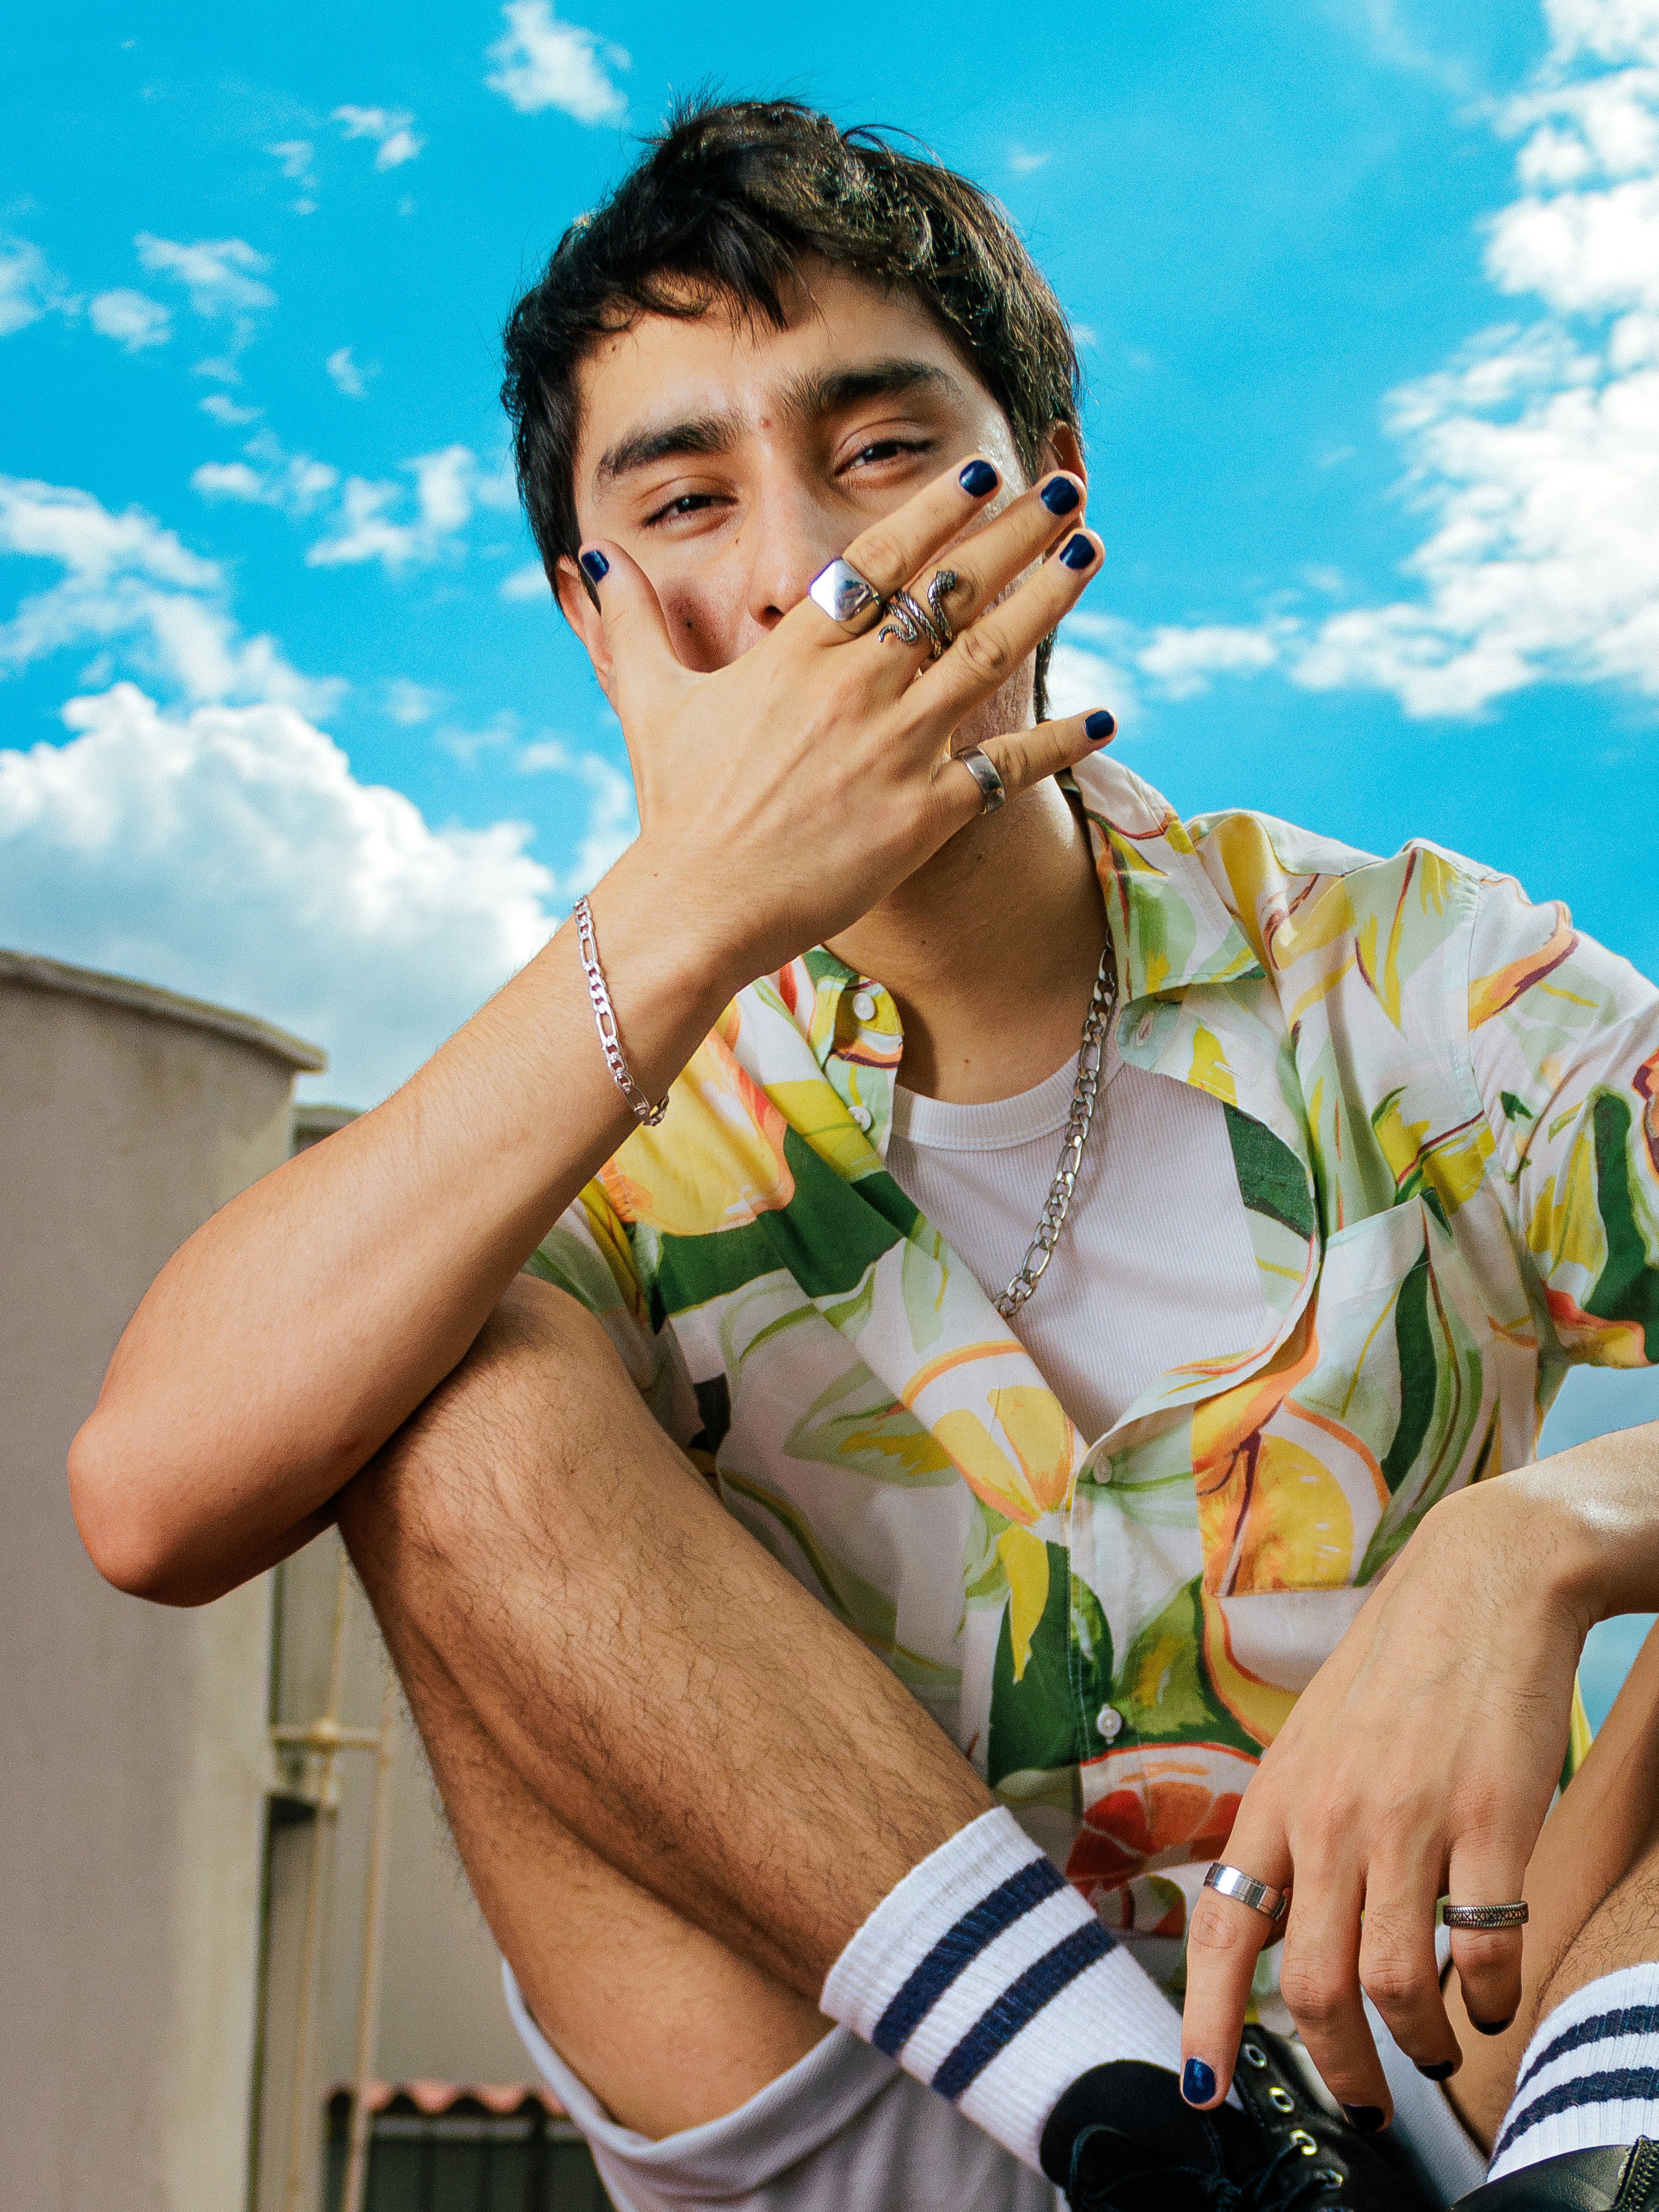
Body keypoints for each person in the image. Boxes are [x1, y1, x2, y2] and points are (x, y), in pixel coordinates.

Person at [67, 98, 1659, 2212]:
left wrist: (1537, 1533)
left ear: (1048, 486)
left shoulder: (1404, 979)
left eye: (885, 447)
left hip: (1440, 2069)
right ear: (593, 611)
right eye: (688, 493)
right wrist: (700, 892)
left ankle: (1609, 2156)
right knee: (448, 1368)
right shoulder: (582, 1124)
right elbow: (153, 1494)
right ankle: (1151, 2128)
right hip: (867, 2108)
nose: (813, 561)